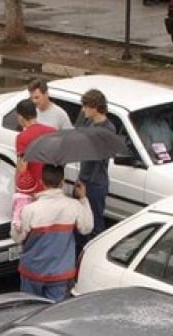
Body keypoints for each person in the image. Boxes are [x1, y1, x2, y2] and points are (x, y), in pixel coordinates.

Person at [11, 164, 93, 302]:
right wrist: (83, 199)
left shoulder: (30, 209)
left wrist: (17, 210)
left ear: (41, 182)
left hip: (32, 271)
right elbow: (87, 228)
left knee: (29, 311)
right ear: (62, 182)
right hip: (60, 273)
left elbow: (16, 237)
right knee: (54, 315)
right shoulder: (73, 206)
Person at [76, 89, 115, 238]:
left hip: (95, 183)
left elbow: (99, 157)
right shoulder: (89, 122)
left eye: (85, 106)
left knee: (94, 223)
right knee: (82, 221)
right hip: (84, 179)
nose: (83, 109)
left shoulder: (108, 129)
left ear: (95, 107)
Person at [14, 98, 55, 195]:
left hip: (34, 189)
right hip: (52, 187)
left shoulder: (22, 137)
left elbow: (22, 168)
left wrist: (18, 190)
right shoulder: (52, 131)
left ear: (20, 117)